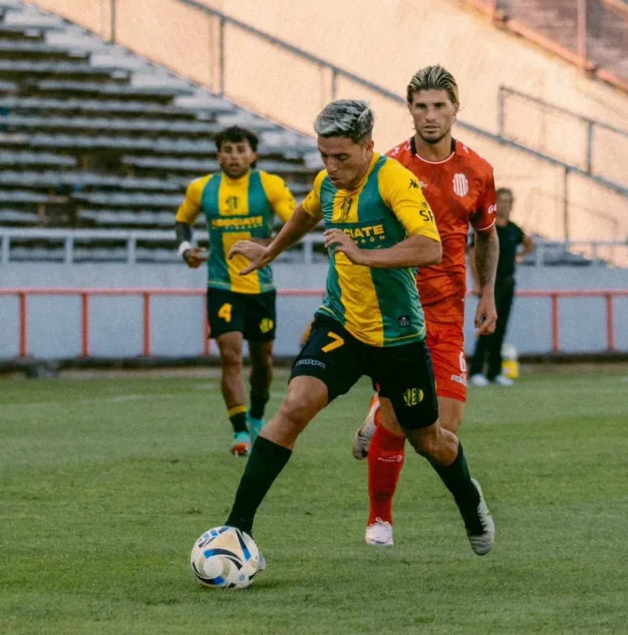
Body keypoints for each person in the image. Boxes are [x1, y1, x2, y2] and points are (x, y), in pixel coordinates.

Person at [217, 99, 494, 557]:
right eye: (324, 156)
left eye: (341, 157)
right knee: (294, 407)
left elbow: (430, 248)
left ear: (368, 147)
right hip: (341, 323)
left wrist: (364, 255)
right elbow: (306, 212)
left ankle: (469, 500)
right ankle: (236, 529)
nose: (331, 167)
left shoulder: (394, 181)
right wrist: (270, 250)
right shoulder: (328, 182)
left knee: (429, 440)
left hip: (398, 335)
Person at [349, 65, 500, 548]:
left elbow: (486, 236)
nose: (430, 115)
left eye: (439, 106)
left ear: (456, 108)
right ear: (409, 110)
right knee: (400, 421)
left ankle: (380, 407)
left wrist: (487, 292)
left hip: (448, 310)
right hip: (397, 308)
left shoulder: (478, 171)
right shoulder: (388, 168)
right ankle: (380, 520)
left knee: (440, 432)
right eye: (421, 107)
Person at [174, 126, 296, 456]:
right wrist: (185, 249)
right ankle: (240, 431)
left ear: (253, 155)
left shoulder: (270, 185)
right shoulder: (202, 188)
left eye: (241, 150)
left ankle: (256, 415)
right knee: (230, 356)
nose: (234, 156)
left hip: (260, 287)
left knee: (263, 361)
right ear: (218, 155)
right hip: (222, 284)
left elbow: (295, 223)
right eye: (227, 150)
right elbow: (183, 221)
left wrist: (268, 245)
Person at [470, 188, 534, 387]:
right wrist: (477, 283)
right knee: (486, 327)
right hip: (490, 284)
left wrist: (519, 257)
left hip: (507, 282)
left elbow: (529, 244)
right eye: (501, 201)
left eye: (508, 201)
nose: (505, 205)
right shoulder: (487, 227)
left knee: (501, 327)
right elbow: (473, 254)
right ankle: (476, 370)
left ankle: (494, 372)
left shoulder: (514, 229)